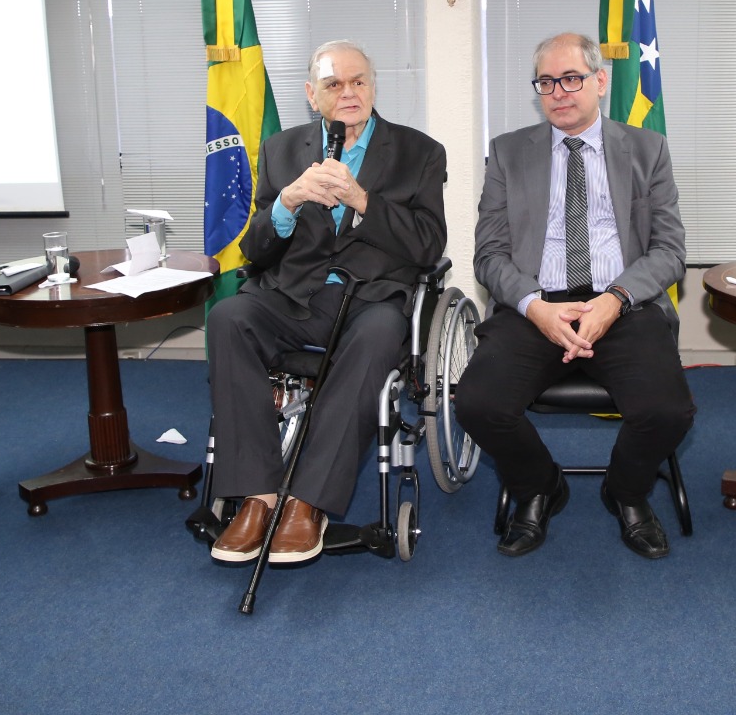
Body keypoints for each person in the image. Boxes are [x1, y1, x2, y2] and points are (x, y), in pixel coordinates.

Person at [207, 40, 447, 565]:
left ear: (373, 86)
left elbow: (430, 246)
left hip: (372, 299)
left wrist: (364, 201)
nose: (349, 93)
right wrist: (289, 202)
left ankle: (307, 501)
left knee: (380, 335)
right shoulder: (280, 149)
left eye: (359, 81)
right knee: (228, 318)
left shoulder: (419, 152)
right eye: (334, 84)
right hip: (293, 294)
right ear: (311, 95)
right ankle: (257, 495)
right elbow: (255, 250)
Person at [456, 32, 694, 559]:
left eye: (571, 79)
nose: (559, 92)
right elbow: (489, 255)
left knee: (668, 410)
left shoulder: (647, 149)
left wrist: (615, 299)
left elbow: (670, 250)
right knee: (476, 403)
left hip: (622, 302)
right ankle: (540, 485)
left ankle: (626, 492)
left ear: (600, 81)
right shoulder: (508, 152)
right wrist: (536, 307)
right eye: (547, 82)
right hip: (535, 304)